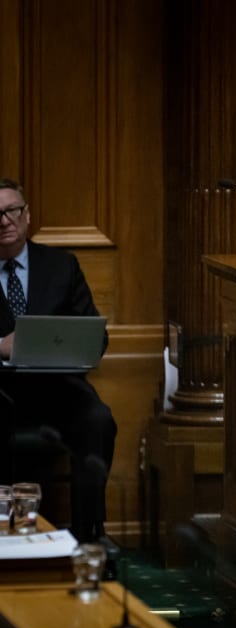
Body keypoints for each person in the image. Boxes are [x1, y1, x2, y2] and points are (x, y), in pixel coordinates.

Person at [0, 177, 117, 544]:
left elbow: (95, 335)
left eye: (12, 211)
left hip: (57, 388)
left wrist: (75, 347)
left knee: (97, 419)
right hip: (1, 392)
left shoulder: (61, 266)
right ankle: (4, 533)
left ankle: (89, 535)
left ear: (27, 215)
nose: (4, 220)